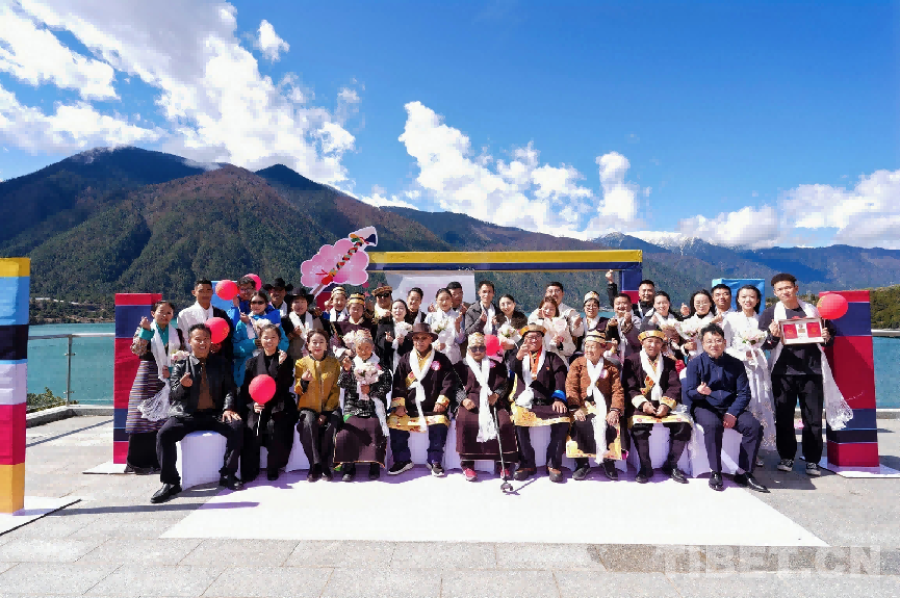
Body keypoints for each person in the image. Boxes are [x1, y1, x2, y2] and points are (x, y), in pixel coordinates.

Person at [758, 273, 849, 477]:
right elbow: (764, 344)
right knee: (783, 418)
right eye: (780, 289)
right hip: (782, 373)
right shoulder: (770, 314)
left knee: (813, 419)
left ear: (796, 288)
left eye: (788, 287)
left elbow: (828, 339)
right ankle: (786, 456)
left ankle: (812, 460)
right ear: (775, 292)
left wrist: (826, 337)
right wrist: (773, 336)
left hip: (812, 371)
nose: (785, 291)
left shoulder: (813, 310)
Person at [151, 324, 243, 503]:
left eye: (206, 339)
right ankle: (170, 482)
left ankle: (228, 473)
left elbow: (230, 389)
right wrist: (183, 386)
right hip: (187, 414)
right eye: (198, 339)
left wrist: (228, 408)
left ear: (211, 341)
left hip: (215, 414)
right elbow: (174, 395)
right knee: (164, 435)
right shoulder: (181, 365)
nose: (202, 343)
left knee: (237, 426)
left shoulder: (221, 363)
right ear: (190, 341)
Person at [683, 324, 768, 493]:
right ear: (702, 344)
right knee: (713, 425)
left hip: (731, 406)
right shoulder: (695, 364)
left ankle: (745, 472)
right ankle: (716, 471)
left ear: (725, 342)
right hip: (705, 406)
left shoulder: (736, 364)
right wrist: (699, 392)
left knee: (754, 427)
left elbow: (744, 393)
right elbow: (689, 392)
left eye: (717, 340)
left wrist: (732, 413)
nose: (714, 344)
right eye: (709, 341)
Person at [622, 328, 692, 484]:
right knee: (639, 428)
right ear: (642, 343)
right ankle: (645, 467)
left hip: (664, 404)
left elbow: (674, 386)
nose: (653, 345)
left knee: (684, 426)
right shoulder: (631, 361)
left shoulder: (669, 362)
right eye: (650, 341)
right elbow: (630, 387)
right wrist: (643, 404)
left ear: (662, 345)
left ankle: (671, 465)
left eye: (657, 342)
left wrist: (666, 405)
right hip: (640, 405)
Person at [388, 323, 458, 477]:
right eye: (416, 338)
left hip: (433, 407)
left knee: (440, 423)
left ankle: (434, 460)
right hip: (410, 408)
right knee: (394, 421)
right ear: (412, 340)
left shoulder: (441, 359)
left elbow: (449, 382)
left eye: (424, 338)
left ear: (430, 339)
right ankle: (402, 460)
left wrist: (442, 401)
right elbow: (398, 384)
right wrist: (399, 405)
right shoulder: (405, 359)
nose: (420, 341)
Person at [126, 301, 185, 474]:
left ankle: (160, 460)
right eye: (161, 312)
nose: (165, 315)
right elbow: (136, 350)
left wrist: (172, 371)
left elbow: (183, 356)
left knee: (163, 419)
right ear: (153, 313)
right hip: (147, 375)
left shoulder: (177, 333)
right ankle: (137, 463)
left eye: (169, 312)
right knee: (141, 418)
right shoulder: (145, 329)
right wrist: (145, 331)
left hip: (169, 377)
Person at [509, 324, 571, 482]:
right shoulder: (518, 355)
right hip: (525, 402)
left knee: (563, 418)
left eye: (537, 336)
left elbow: (560, 378)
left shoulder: (552, 357)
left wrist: (558, 398)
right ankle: (526, 463)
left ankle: (553, 464)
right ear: (524, 340)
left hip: (547, 401)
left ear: (542, 339)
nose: (534, 340)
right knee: (518, 420)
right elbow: (513, 369)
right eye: (530, 337)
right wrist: (519, 356)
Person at [723, 285, 777, 464]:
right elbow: (724, 344)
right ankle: (733, 448)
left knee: (759, 403)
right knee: (740, 405)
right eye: (744, 297)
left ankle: (754, 450)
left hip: (757, 368)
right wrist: (741, 355)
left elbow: (767, 343)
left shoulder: (762, 320)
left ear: (758, 300)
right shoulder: (730, 319)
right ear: (738, 299)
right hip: (736, 367)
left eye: (752, 297)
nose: (748, 300)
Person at [454, 333, 518, 482]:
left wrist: (497, 394)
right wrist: (463, 400)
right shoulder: (460, 367)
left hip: (491, 400)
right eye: (474, 348)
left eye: (481, 348)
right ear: (468, 349)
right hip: (470, 400)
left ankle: (503, 464)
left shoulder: (495, 365)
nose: (478, 351)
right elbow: (453, 386)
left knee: (503, 422)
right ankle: (467, 464)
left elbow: (504, 384)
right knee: (466, 421)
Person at [238, 324, 296, 483]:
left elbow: (285, 384)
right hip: (259, 404)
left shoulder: (286, 360)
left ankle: (273, 467)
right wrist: (253, 404)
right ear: (260, 339)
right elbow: (245, 389)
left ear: (279, 340)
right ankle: (250, 470)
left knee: (274, 427)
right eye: (266, 337)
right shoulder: (252, 363)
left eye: (273, 337)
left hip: (279, 403)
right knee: (251, 426)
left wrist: (280, 365)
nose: (269, 341)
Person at [564, 331, 624, 481]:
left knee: (610, 424)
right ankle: (582, 463)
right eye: (587, 346)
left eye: (593, 347)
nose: (589, 350)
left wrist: (615, 410)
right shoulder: (577, 364)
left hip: (605, 406)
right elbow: (571, 387)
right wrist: (575, 408)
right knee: (580, 424)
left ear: (602, 348)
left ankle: (608, 461)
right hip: (582, 405)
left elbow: (617, 390)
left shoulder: (611, 367)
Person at [335, 329, 393, 481]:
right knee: (347, 431)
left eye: (367, 347)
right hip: (354, 406)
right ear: (355, 348)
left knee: (375, 428)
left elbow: (386, 386)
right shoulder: (351, 364)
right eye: (360, 348)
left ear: (372, 347)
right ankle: (349, 467)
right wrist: (346, 371)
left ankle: (374, 465)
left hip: (374, 407)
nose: (363, 351)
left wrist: (371, 390)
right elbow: (342, 384)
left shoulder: (380, 365)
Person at [294, 329, 343, 482]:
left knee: (332, 424)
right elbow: (298, 390)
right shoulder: (301, 363)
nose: (317, 345)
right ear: (308, 345)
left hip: (330, 407)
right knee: (307, 423)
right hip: (308, 407)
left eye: (321, 342)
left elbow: (335, 390)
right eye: (314, 342)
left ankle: (326, 466)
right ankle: (315, 465)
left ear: (326, 345)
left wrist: (325, 413)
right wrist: (303, 381)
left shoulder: (334, 363)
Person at [232, 290, 289, 387]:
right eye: (253, 302)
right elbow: (235, 348)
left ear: (266, 304)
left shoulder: (274, 322)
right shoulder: (242, 323)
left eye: (260, 302)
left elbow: (284, 342)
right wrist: (253, 343)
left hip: (271, 366)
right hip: (247, 371)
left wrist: (270, 345)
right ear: (250, 305)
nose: (256, 305)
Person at [177, 279, 234, 360]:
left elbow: (229, 335)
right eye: (201, 291)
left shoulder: (221, 314)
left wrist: (219, 346)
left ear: (212, 292)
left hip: (217, 359)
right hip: (192, 358)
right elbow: (181, 339)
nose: (205, 294)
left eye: (208, 290)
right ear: (194, 292)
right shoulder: (184, 314)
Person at [282, 291, 328, 363]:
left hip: (315, 360)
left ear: (307, 304)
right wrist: (292, 335)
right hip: (292, 361)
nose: (300, 305)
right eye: (296, 302)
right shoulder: (285, 321)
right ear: (291, 304)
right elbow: (280, 343)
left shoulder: (316, 319)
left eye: (303, 302)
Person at [530, 296, 576, 364]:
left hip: (559, 363)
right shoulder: (534, 324)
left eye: (551, 309)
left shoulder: (562, 326)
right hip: (540, 362)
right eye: (545, 308)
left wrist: (560, 345)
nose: (548, 311)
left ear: (556, 311)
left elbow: (570, 350)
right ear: (540, 309)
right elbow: (535, 341)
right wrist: (540, 320)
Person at [425, 288, 465, 364]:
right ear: (436, 300)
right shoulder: (431, 317)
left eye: (447, 299)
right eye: (441, 299)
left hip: (452, 355)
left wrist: (457, 325)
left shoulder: (458, 315)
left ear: (451, 299)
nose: (444, 302)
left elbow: (460, 340)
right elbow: (424, 338)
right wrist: (435, 345)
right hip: (435, 353)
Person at [679, 290, 722, 361]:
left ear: (711, 303)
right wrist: (685, 347)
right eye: (698, 303)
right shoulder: (688, 322)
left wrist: (711, 322)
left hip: (713, 361)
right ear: (693, 304)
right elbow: (679, 343)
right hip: (693, 361)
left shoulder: (718, 321)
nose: (701, 306)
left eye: (705, 302)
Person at [642, 291, 683, 360]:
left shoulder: (676, 318)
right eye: (658, 303)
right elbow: (643, 340)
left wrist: (678, 341)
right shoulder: (647, 320)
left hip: (675, 357)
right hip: (655, 358)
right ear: (654, 305)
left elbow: (684, 340)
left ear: (669, 303)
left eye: (664, 302)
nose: (662, 305)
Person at [376, 299, 414, 374]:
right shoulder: (385, 324)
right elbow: (378, 341)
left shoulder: (409, 327)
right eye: (395, 308)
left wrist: (402, 343)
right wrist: (386, 340)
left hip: (405, 364)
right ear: (391, 311)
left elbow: (413, 347)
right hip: (388, 364)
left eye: (401, 308)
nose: (398, 310)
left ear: (406, 311)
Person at [494, 294, 528, 376]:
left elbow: (526, 337)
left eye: (508, 303)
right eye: (503, 304)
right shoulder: (496, 319)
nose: (506, 306)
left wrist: (514, 345)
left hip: (518, 353)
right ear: (499, 306)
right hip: (500, 355)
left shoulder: (522, 319)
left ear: (514, 304)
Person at [609, 293, 642, 362]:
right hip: (616, 357)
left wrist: (628, 323)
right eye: (618, 304)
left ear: (630, 305)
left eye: (624, 303)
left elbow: (637, 340)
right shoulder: (612, 320)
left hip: (633, 358)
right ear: (614, 306)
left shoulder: (636, 320)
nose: (621, 306)